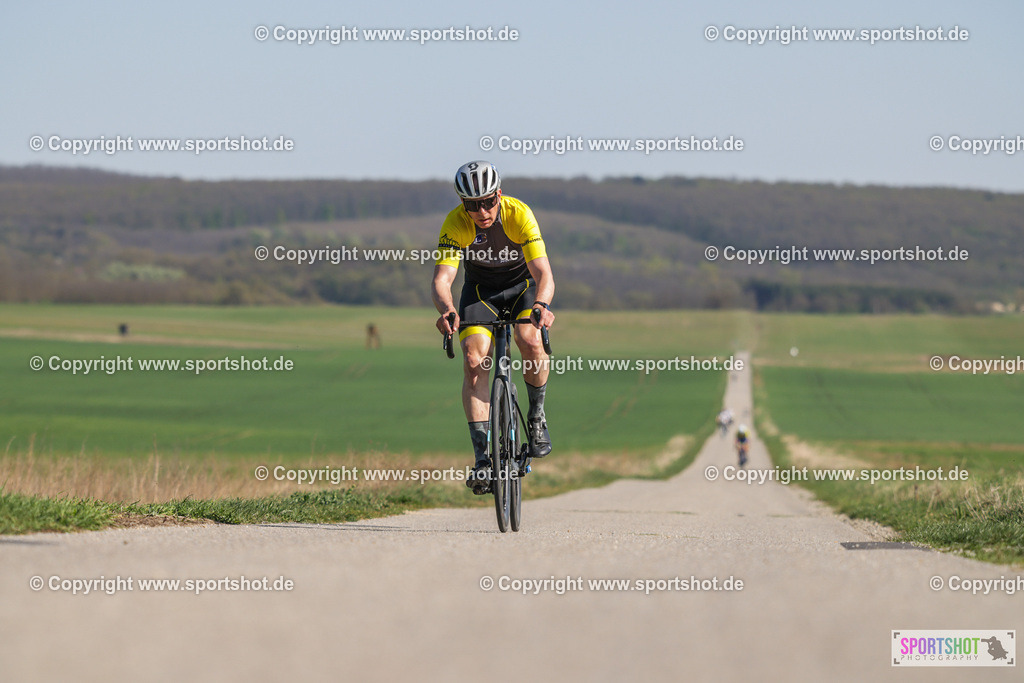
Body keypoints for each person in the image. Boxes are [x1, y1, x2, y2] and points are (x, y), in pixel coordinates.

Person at [431, 161, 556, 494]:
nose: (482, 210)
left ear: (498, 195)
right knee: (474, 360)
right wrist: (447, 310)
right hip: (480, 291)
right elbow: (443, 278)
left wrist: (541, 306)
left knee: (529, 339)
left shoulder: (518, 214)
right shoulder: (456, 223)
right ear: (463, 205)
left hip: (521, 287)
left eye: (487, 201)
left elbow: (543, 273)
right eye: (472, 205)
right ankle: (483, 458)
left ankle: (537, 415)